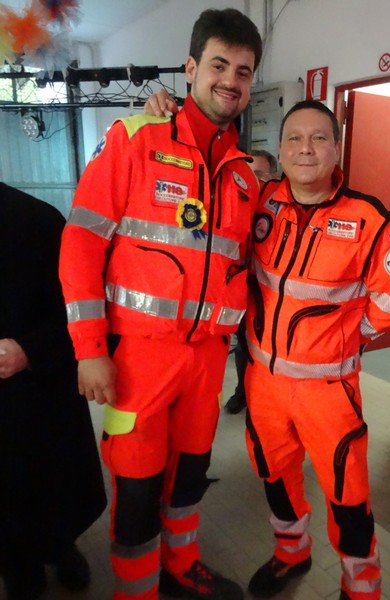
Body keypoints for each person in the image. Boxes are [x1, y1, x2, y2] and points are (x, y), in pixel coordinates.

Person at [59, 8, 262, 600]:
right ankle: (137, 590)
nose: (230, 81)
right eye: (219, 65)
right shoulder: (134, 139)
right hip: (138, 360)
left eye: (243, 71)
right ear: (190, 68)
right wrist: (89, 350)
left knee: (191, 474)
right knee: (138, 486)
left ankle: (180, 565)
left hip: (207, 362)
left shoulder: (245, 178)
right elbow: (81, 244)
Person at [244, 100, 390, 600]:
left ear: (336, 149)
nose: (306, 149)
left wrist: (348, 337)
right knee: (275, 477)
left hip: (329, 390)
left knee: (348, 496)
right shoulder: (260, 203)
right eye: (294, 138)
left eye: (319, 138)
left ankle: (361, 587)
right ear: (279, 149)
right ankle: (291, 553)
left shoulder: (370, 219)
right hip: (263, 384)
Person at [0, 182, 107, 600]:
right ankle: (18, 567)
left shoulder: (37, 220)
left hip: (39, 387)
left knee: (54, 483)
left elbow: (79, 308)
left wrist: (28, 351)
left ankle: (61, 547)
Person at [224, 149, 279, 415]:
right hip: (240, 289)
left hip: (269, 294)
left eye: (259, 175)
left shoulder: (282, 209)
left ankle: (267, 397)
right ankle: (242, 392)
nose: (253, 182)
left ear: (274, 177)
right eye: (248, 175)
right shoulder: (235, 202)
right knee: (243, 345)